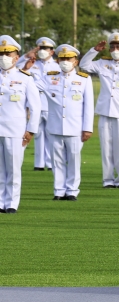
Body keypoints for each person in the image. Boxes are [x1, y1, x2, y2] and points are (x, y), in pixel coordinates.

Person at [80, 33, 119, 189]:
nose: (115, 49)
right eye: (113, 47)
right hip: (105, 110)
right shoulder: (102, 63)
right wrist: (94, 50)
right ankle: (107, 179)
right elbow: (84, 65)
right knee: (106, 147)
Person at [32, 44, 93, 201]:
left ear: (75, 61)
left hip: (76, 127)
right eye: (62, 58)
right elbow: (31, 86)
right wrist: (26, 66)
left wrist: (87, 128)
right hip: (55, 126)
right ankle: (59, 190)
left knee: (73, 159)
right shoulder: (49, 78)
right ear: (57, 60)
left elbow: (88, 106)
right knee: (56, 160)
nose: (65, 61)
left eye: (69, 58)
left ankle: (72, 190)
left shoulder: (84, 80)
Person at [0, 36, 41, 213]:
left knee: (14, 169)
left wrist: (31, 130)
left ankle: (11, 203)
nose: (4, 56)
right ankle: (1, 201)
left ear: (17, 57)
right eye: (2, 53)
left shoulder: (25, 78)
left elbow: (35, 107)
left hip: (15, 130)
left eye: (8, 53)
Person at [17, 37, 58, 171]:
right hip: (34, 105)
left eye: (45, 49)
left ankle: (51, 163)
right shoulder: (31, 63)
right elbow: (15, 68)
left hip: (50, 104)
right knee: (37, 134)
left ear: (52, 52)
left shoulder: (57, 66)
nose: (42, 51)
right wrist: (26, 57)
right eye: (40, 48)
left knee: (52, 134)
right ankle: (39, 163)